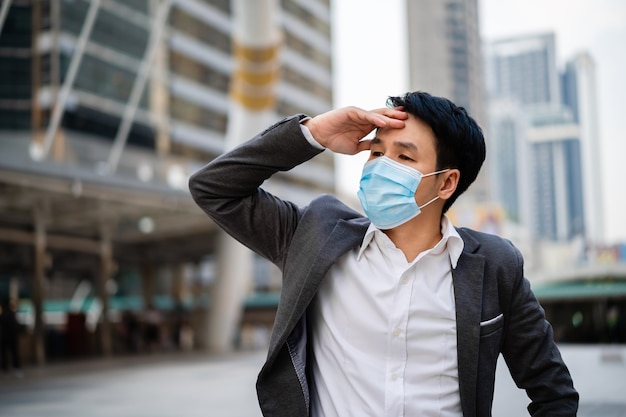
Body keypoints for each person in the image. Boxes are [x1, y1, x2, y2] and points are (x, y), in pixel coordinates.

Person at [189, 91, 578, 417]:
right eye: (376, 152)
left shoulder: (494, 264)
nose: (381, 167)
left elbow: (553, 392)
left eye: (404, 157)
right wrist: (313, 133)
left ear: (446, 182)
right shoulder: (316, 234)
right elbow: (214, 188)